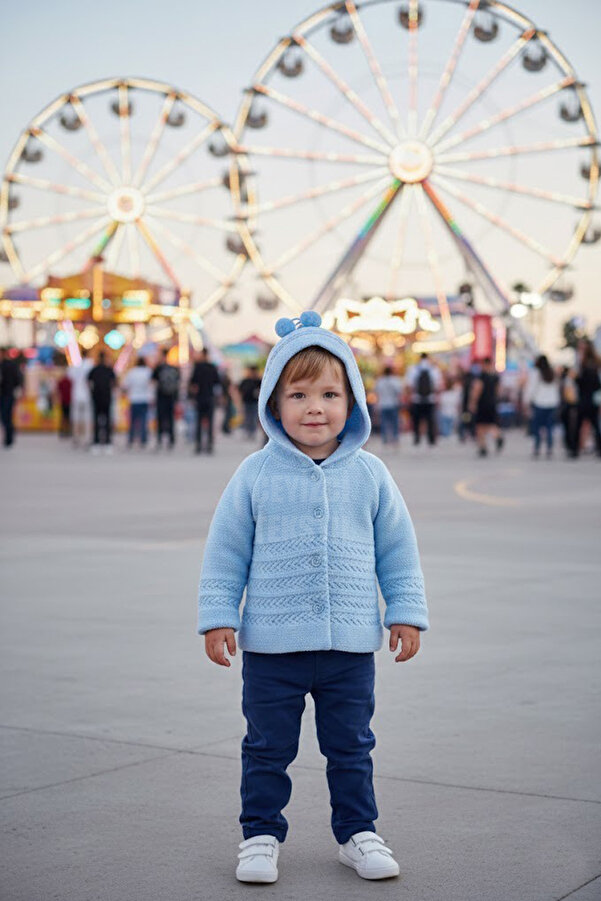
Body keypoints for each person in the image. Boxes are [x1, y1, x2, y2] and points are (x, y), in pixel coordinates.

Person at [197, 311, 429, 885]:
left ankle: (358, 832)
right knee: (266, 748)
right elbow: (226, 550)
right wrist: (219, 616)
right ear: (274, 405)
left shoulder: (370, 474)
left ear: (353, 402)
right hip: (272, 649)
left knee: (351, 747)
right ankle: (259, 836)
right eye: (298, 395)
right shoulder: (255, 474)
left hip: (349, 647)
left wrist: (404, 612)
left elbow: (397, 549)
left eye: (329, 394)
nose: (314, 408)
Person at [524, 355, 560, 459]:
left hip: (539, 403)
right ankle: (549, 448)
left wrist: (527, 401)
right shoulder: (552, 372)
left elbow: (531, 388)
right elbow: (556, 388)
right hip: (552, 403)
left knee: (537, 427)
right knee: (549, 428)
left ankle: (537, 448)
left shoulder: (536, 373)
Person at [188, 348, 221, 454]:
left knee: (198, 422)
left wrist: (192, 396)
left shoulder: (197, 367)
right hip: (210, 397)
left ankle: (198, 445)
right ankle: (209, 445)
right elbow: (217, 383)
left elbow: (193, 384)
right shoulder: (212, 367)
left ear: (203, 355)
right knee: (210, 422)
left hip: (200, 398)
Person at [469, 357, 504, 457]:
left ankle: (483, 447)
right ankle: (497, 436)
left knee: (479, 426)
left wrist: (472, 403)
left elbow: (477, 389)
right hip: (492, 403)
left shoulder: (481, 377)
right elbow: (499, 391)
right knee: (491, 423)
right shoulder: (495, 377)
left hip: (482, 404)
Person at [406, 353, 442, 446]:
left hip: (416, 399)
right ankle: (431, 439)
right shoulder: (434, 369)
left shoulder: (413, 369)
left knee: (416, 420)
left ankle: (417, 438)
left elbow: (409, 385)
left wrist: (410, 396)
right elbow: (438, 386)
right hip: (430, 399)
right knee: (430, 419)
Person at [574, 341, 601, 458]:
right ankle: (598, 448)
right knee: (595, 425)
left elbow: (583, 382)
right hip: (591, 400)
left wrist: (577, 379)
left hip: (585, 400)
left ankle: (575, 449)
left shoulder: (585, 365)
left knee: (579, 425)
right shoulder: (594, 364)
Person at [87, 350, 116, 453]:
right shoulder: (109, 370)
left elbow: (88, 382)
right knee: (107, 420)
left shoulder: (94, 370)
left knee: (96, 420)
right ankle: (107, 442)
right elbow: (114, 383)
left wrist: (92, 392)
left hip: (96, 398)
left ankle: (96, 441)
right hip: (106, 398)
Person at [122, 357, 153, 448]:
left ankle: (131, 439)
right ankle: (143, 440)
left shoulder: (132, 372)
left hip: (134, 399)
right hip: (144, 399)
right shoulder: (148, 372)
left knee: (132, 421)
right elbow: (152, 384)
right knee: (143, 420)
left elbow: (125, 385)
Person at [152, 348, 180, 449]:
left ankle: (160, 439)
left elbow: (153, 381)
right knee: (170, 419)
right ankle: (171, 440)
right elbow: (177, 383)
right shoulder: (174, 368)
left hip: (161, 396)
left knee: (160, 418)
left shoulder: (158, 368)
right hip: (171, 397)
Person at [68, 350, 93, 448]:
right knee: (87, 417)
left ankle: (76, 437)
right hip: (87, 395)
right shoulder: (90, 365)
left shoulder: (75, 366)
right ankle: (87, 437)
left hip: (76, 394)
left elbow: (70, 377)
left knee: (76, 417)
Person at [0, 347, 24, 448]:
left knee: (6, 416)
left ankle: (9, 438)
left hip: (8, 394)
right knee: (3, 417)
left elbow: (18, 378)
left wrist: (17, 389)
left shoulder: (10, 365)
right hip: (3, 394)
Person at [374, 365, 403, 445]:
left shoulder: (380, 381)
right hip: (393, 404)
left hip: (383, 404)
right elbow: (399, 391)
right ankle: (395, 437)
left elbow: (376, 391)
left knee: (384, 422)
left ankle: (385, 438)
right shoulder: (395, 380)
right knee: (394, 422)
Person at [559, 365, 579, 459]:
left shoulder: (569, 381)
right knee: (570, 428)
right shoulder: (569, 381)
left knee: (570, 428)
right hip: (570, 406)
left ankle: (571, 446)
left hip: (569, 406)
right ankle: (571, 446)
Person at [238, 364, 262, 439]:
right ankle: (247, 431)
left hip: (255, 401)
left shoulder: (258, 381)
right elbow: (240, 390)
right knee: (247, 417)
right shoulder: (245, 380)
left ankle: (252, 432)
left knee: (254, 417)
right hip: (246, 401)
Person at [56, 367, 72, 439]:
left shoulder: (62, 381)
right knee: (67, 417)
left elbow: (57, 391)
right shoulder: (70, 381)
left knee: (64, 417)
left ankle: (63, 431)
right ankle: (67, 431)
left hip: (64, 401)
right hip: (68, 401)